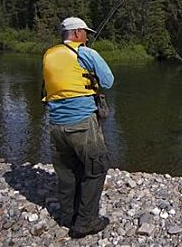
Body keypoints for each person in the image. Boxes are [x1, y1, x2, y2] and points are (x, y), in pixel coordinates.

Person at [42, 17, 114, 239]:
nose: (88, 37)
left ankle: (67, 216)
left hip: (55, 125)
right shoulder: (87, 53)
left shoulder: (49, 54)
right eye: (85, 33)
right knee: (97, 167)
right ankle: (86, 222)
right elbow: (109, 81)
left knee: (67, 172)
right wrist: (92, 60)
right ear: (75, 34)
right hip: (82, 123)